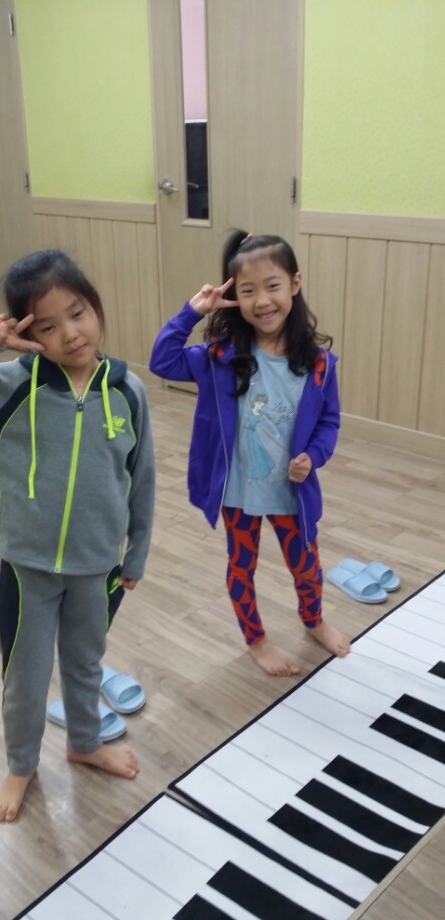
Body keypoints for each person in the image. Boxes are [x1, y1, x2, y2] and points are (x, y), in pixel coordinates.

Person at [0, 249, 155, 821]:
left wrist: (136, 554)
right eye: (46, 326)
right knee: (25, 677)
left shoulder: (127, 390)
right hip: (27, 570)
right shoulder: (5, 387)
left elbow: (141, 478)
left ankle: (85, 743)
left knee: (86, 663)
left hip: (98, 565)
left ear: (94, 306)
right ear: (25, 331)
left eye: (78, 313)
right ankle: (21, 765)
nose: (70, 334)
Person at [149, 230, 349, 677]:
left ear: (295, 283)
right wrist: (191, 312)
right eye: (247, 291)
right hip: (238, 495)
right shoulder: (219, 357)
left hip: (291, 495)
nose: (262, 301)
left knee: (307, 566)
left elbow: (329, 423)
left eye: (272, 286)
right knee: (241, 568)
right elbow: (162, 361)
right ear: (233, 297)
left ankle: (314, 619)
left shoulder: (319, 365)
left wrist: (313, 457)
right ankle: (256, 640)